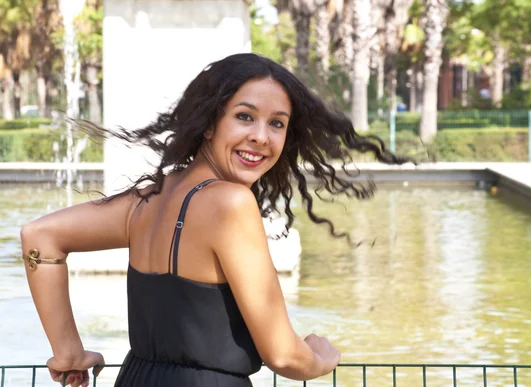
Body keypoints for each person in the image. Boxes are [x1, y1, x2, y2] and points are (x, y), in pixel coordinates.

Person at [20, 53, 409, 387]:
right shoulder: (231, 203)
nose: (261, 137)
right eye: (245, 117)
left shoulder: (150, 198)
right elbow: (285, 357)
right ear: (209, 123)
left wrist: (68, 352)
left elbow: (40, 237)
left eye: (277, 123)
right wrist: (321, 357)